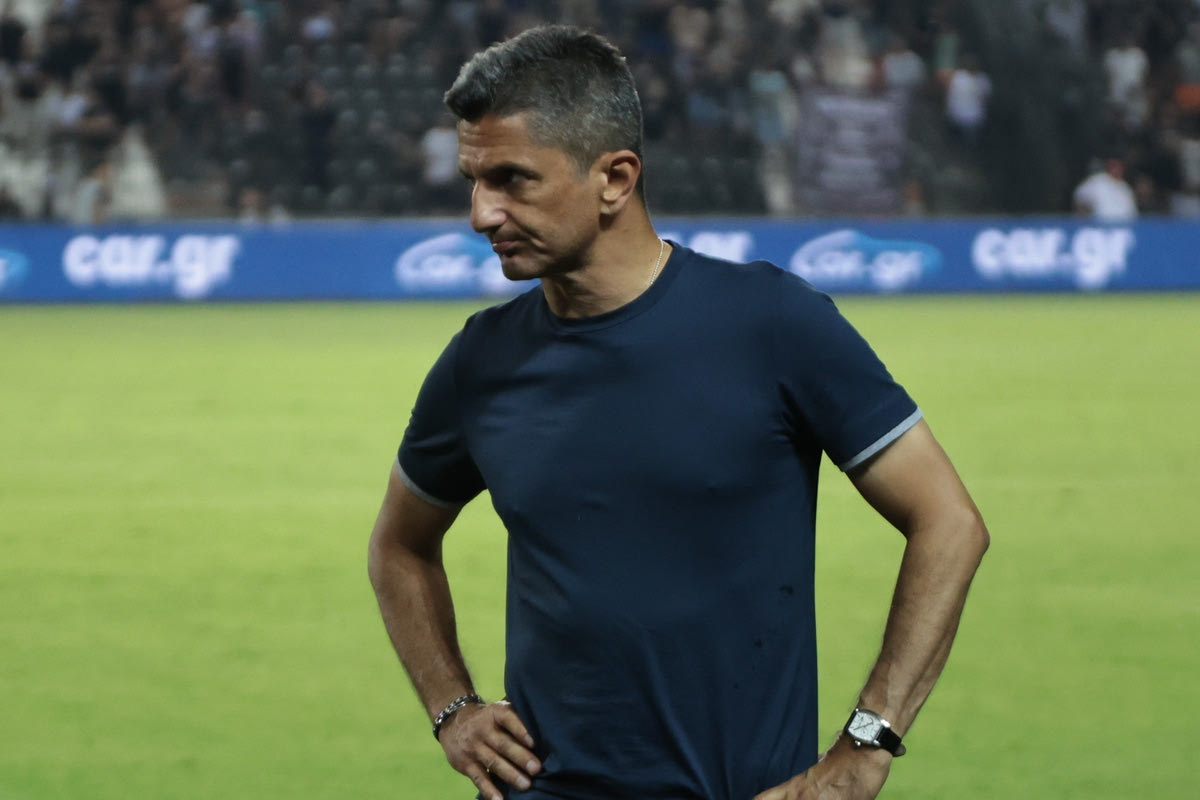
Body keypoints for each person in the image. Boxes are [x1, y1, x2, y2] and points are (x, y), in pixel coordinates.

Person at [368, 24, 988, 800]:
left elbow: (948, 522)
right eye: (473, 181)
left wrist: (868, 743)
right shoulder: (480, 362)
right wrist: (452, 708)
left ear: (615, 179)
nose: (480, 215)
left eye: (512, 180)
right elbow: (399, 545)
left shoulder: (771, 324)